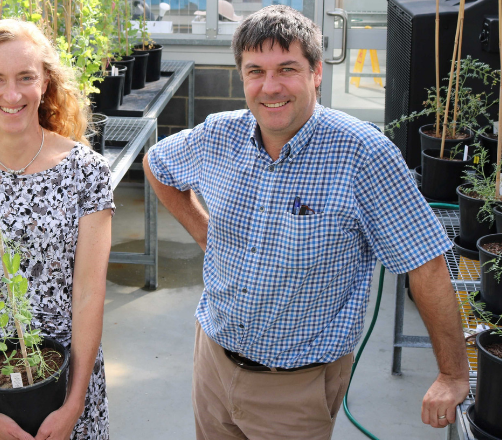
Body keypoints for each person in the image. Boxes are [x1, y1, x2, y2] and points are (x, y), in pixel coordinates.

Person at [142, 5, 469, 439]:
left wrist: (451, 373)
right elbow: (157, 164)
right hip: (213, 362)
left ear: (316, 73)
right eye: (255, 70)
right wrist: (207, 234)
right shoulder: (218, 134)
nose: (270, 87)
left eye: (287, 69)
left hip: (296, 388)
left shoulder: (362, 154)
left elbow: (425, 264)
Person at [0, 18, 114, 440]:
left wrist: (75, 403)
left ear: (45, 82)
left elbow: (88, 294)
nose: (12, 95)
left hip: (70, 380)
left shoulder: (86, 172)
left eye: (26, 77)